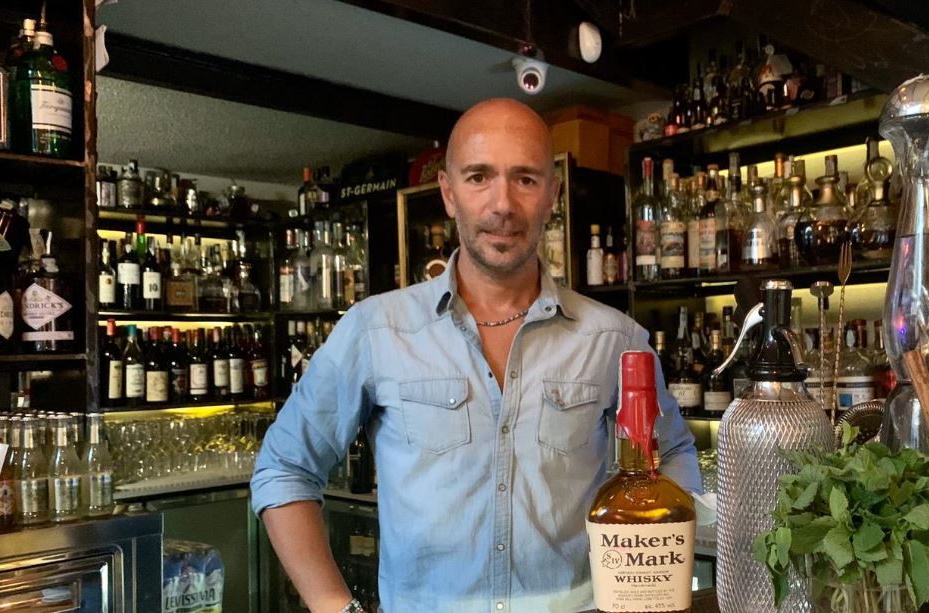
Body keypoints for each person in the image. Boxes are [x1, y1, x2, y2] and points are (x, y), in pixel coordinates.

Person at [251, 98, 702, 613]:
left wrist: (651, 580)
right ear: (449, 193)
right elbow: (284, 467)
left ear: (552, 196)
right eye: (479, 177)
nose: (502, 203)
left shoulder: (615, 340)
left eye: (525, 179)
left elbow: (674, 455)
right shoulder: (376, 330)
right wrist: (336, 608)